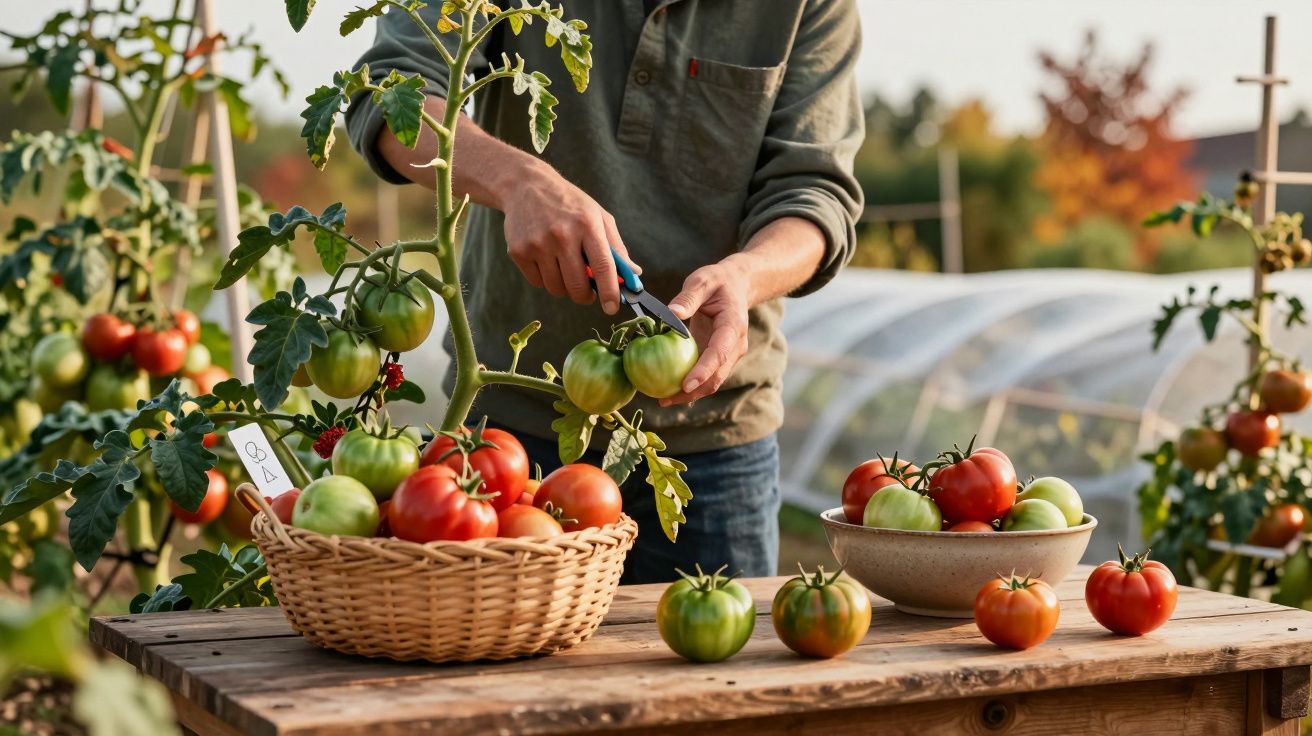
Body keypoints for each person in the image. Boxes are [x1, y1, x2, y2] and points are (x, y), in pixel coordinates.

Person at [346, 0, 863, 583]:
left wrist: (748, 274)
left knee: (710, 675)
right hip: (507, 438)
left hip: (715, 443)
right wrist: (519, 182)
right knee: (497, 661)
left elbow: (815, 194)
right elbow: (391, 97)